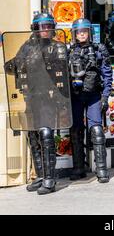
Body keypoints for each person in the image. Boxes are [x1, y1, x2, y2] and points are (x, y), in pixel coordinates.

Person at [4, 12, 70, 195]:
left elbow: (62, 71)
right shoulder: (27, 46)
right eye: (42, 27)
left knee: (46, 133)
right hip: (31, 97)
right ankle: (40, 175)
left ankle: (50, 178)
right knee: (33, 135)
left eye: (49, 26)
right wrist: (15, 65)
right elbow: (15, 65)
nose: (46, 30)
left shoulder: (58, 47)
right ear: (36, 28)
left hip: (48, 98)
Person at [68, 18, 113, 183]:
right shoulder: (69, 51)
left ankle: (101, 169)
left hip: (94, 95)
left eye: (84, 31)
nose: (81, 34)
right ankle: (79, 167)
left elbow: (107, 75)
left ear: (89, 33)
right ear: (74, 34)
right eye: (79, 32)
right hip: (75, 96)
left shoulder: (99, 49)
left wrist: (105, 96)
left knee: (96, 130)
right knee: (75, 130)